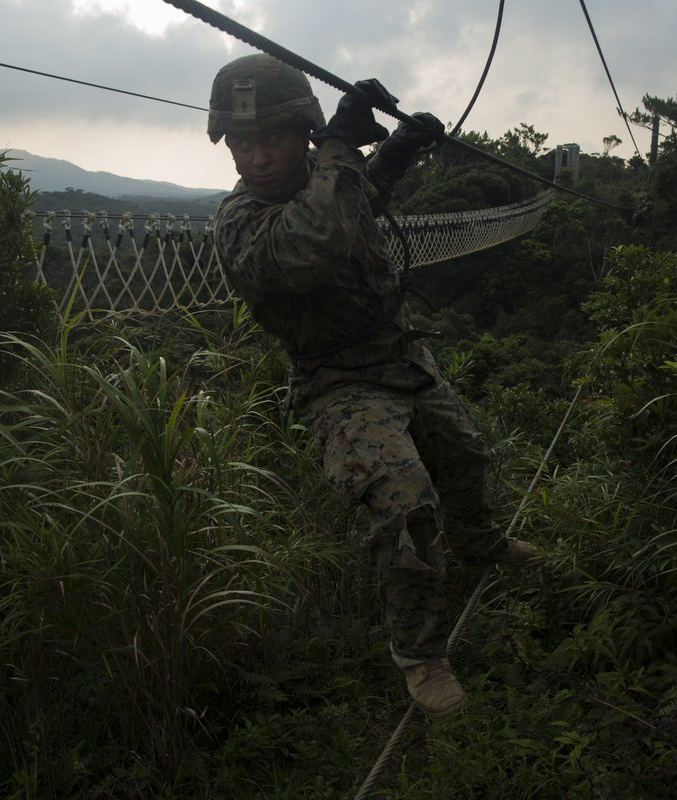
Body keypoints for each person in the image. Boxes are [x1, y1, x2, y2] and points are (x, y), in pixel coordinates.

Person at [207, 53, 540, 716]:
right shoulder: (240, 222)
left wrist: (396, 151)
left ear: (297, 135)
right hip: (337, 383)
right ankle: (421, 657)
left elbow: (360, 201)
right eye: (243, 143)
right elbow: (315, 239)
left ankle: (478, 544)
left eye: (271, 138)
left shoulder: (331, 181)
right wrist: (337, 141)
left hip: (398, 356)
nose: (257, 157)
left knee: (465, 455)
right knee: (405, 502)